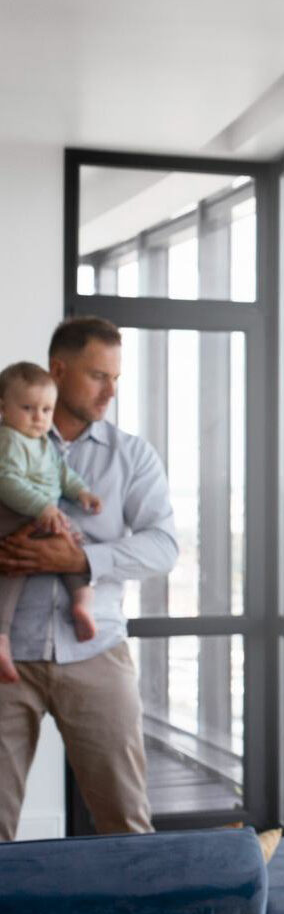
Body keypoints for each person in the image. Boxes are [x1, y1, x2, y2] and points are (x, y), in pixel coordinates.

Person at [0, 317, 178, 840]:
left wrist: (79, 561)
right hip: (8, 659)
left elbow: (164, 546)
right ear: (59, 370)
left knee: (126, 823)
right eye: (99, 376)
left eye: (116, 378)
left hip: (96, 649)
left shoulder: (132, 455)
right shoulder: (5, 443)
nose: (111, 392)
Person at [0, 361, 104, 680]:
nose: (39, 418)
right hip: (15, 514)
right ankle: (2, 637)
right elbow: (7, 480)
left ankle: (82, 601)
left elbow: (62, 473)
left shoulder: (44, 443)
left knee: (72, 548)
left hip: (43, 515)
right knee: (11, 569)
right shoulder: (9, 440)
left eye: (46, 410)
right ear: (3, 408)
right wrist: (42, 507)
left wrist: (82, 492)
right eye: (28, 408)